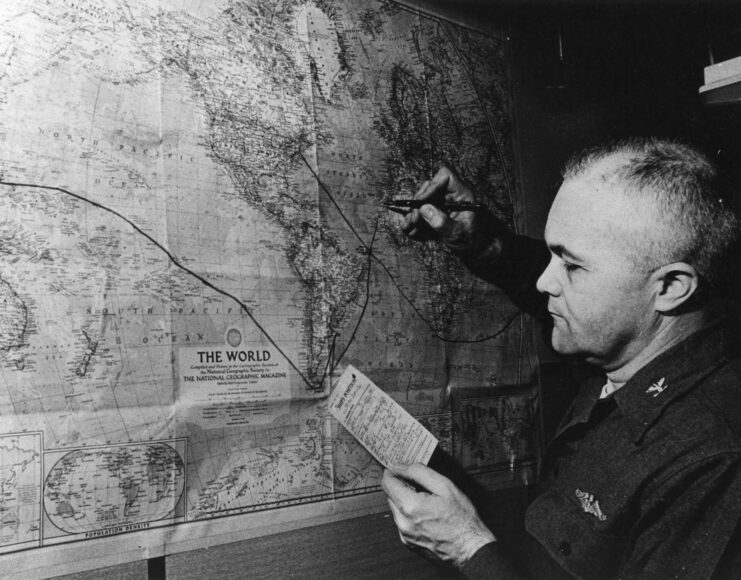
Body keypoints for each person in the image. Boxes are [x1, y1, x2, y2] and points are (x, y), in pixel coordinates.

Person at [381, 138, 741, 579]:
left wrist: (469, 550)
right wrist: (483, 243)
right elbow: (545, 273)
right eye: (553, 255)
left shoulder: (713, 460)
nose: (544, 283)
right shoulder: (628, 343)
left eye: (571, 266)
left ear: (669, 288)